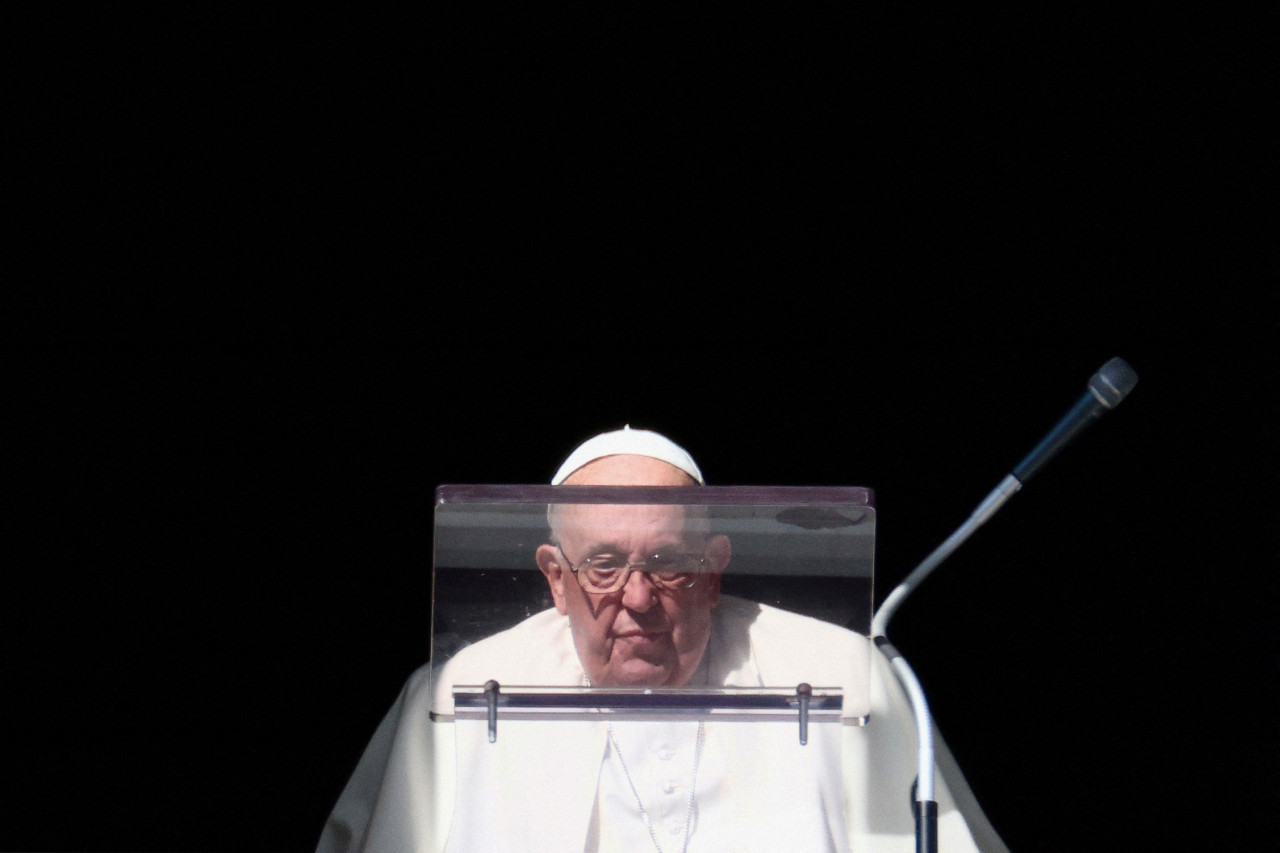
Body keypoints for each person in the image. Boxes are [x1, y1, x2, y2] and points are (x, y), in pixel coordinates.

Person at [318, 427, 1008, 852]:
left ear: (714, 571)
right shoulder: (463, 692)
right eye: (604, 565)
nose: (638, 598)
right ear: (556, 579)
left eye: (668, 561)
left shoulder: (834, 672)